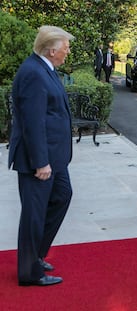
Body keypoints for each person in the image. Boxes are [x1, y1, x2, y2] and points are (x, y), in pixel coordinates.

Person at [8, 25, 74, 286]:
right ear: (52, 49)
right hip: (41, 160)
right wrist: (40, 162)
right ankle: (29, 272)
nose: (67, 52)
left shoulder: (44, 69)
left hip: (55, 157)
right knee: (34, 215)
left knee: (62, 196)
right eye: (66, 48)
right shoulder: (34, 73)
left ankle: (36, 256)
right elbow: (32, 122)